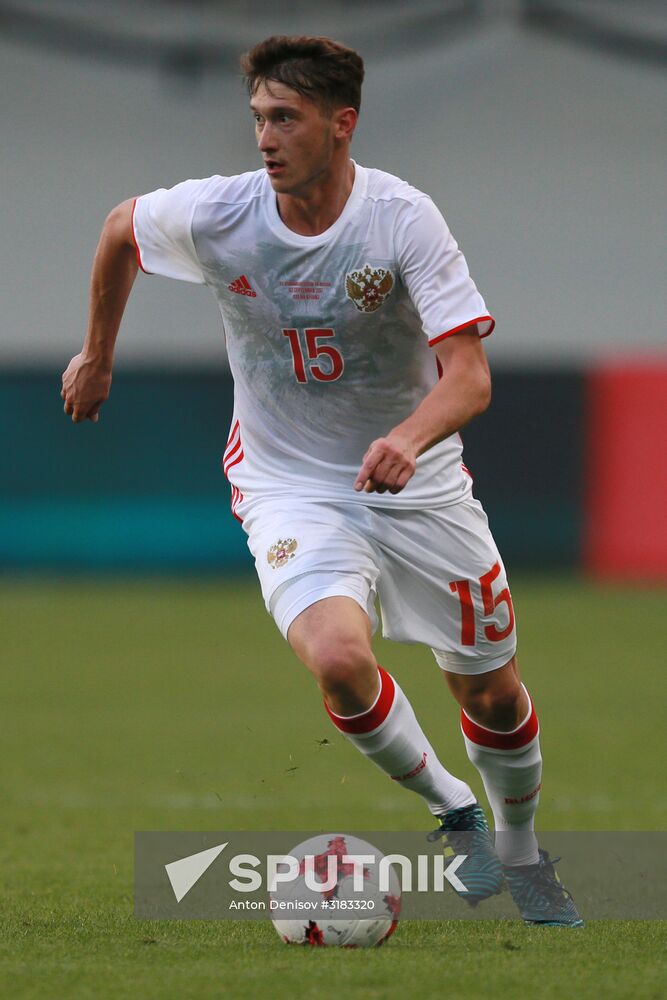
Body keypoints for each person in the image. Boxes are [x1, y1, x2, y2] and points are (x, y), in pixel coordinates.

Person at [61, 34, 581, 927]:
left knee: (491, 693)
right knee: (339, 660)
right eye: (258, 118)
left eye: (286, 119)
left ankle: (521, 852)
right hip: (287, 484)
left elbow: (468, 377)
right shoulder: (220, 212)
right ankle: (454, 811)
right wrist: (97, 355)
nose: (265, 138)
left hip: (418, 487)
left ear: (341, 124)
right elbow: (119, 230)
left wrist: (407, 439)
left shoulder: (401, 219)